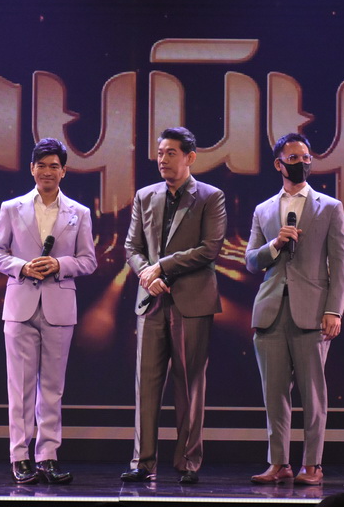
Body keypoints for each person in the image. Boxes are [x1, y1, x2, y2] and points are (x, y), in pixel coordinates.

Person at [0, 138, 97, 485]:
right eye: (42, 165)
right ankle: (19, 456)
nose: (47, 171)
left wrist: (59, 264)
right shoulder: (11, 208)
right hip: (20, 305)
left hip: (59, 307)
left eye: (54, 166)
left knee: (52, 387)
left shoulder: (79, 212)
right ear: (32, 169)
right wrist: (22, 267)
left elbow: (88, 260)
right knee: (19, 387)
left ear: (64, 171)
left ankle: (47, 456)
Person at [120, 127, 227, 485]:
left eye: (171, 153)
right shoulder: (145, 196)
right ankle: (142, 462)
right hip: (152, 300)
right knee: (146, 385)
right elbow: (132, 247)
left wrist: (162, 267)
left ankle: (187, 462)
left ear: (190, 157)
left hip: (192, 302)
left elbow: (209, 248)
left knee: (190, 384)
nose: (163, 159)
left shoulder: (210, 196)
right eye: (160, 153)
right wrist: (147, 274)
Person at [244, 132, 344, 486]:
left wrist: (334, 310)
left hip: (313, 312)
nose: (302, 163)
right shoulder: (264, 210)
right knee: (274, 394)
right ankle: (279, 463)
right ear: (279, 164)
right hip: (271, 311)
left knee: (313, 394)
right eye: (293, 158)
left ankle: (313, 464)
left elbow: (340, 264)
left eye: (306, 158)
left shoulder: (329, 207)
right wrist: (275, 244)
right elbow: (250, 261)